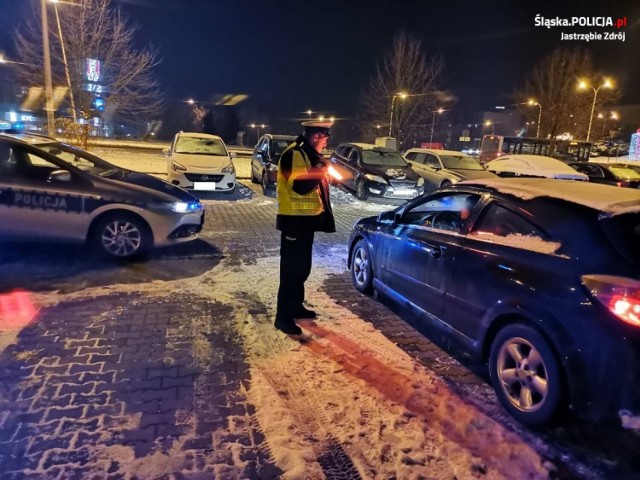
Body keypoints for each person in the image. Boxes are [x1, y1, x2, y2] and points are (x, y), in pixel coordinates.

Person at [274, 121, 336, 335]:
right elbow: (301, 186)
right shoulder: (295, 154)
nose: (327, 140)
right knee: (290, 271)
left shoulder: (309, 156)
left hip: (306, 221)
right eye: (325, 136)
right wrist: (320, 169)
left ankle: (296, 306)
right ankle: (282, 317)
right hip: (293, 221)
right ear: (315, 136)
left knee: (302, 268)